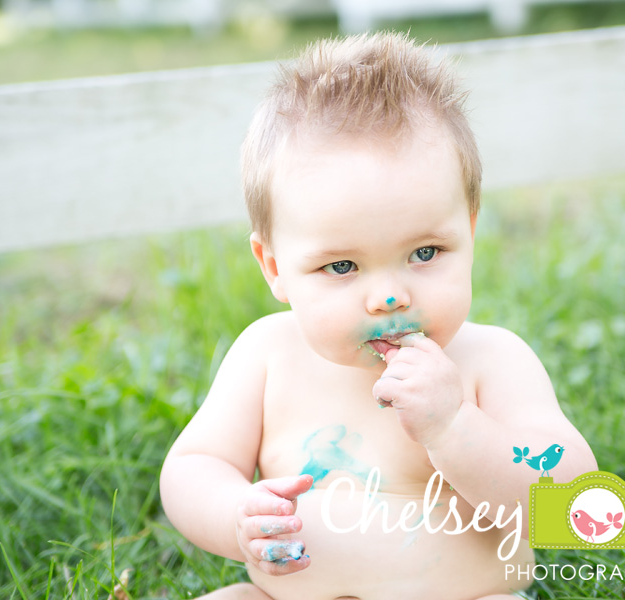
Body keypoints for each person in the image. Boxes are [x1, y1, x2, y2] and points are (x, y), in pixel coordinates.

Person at [160, 31, 597, 600]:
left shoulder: (492, 362)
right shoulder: (268, 355)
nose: (388, 297)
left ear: (468, 229)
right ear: (273, 266)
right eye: (342, 266)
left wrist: (455, 426)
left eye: (424, 254)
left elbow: (581, 509)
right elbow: (195, 465)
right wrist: (236, 515)